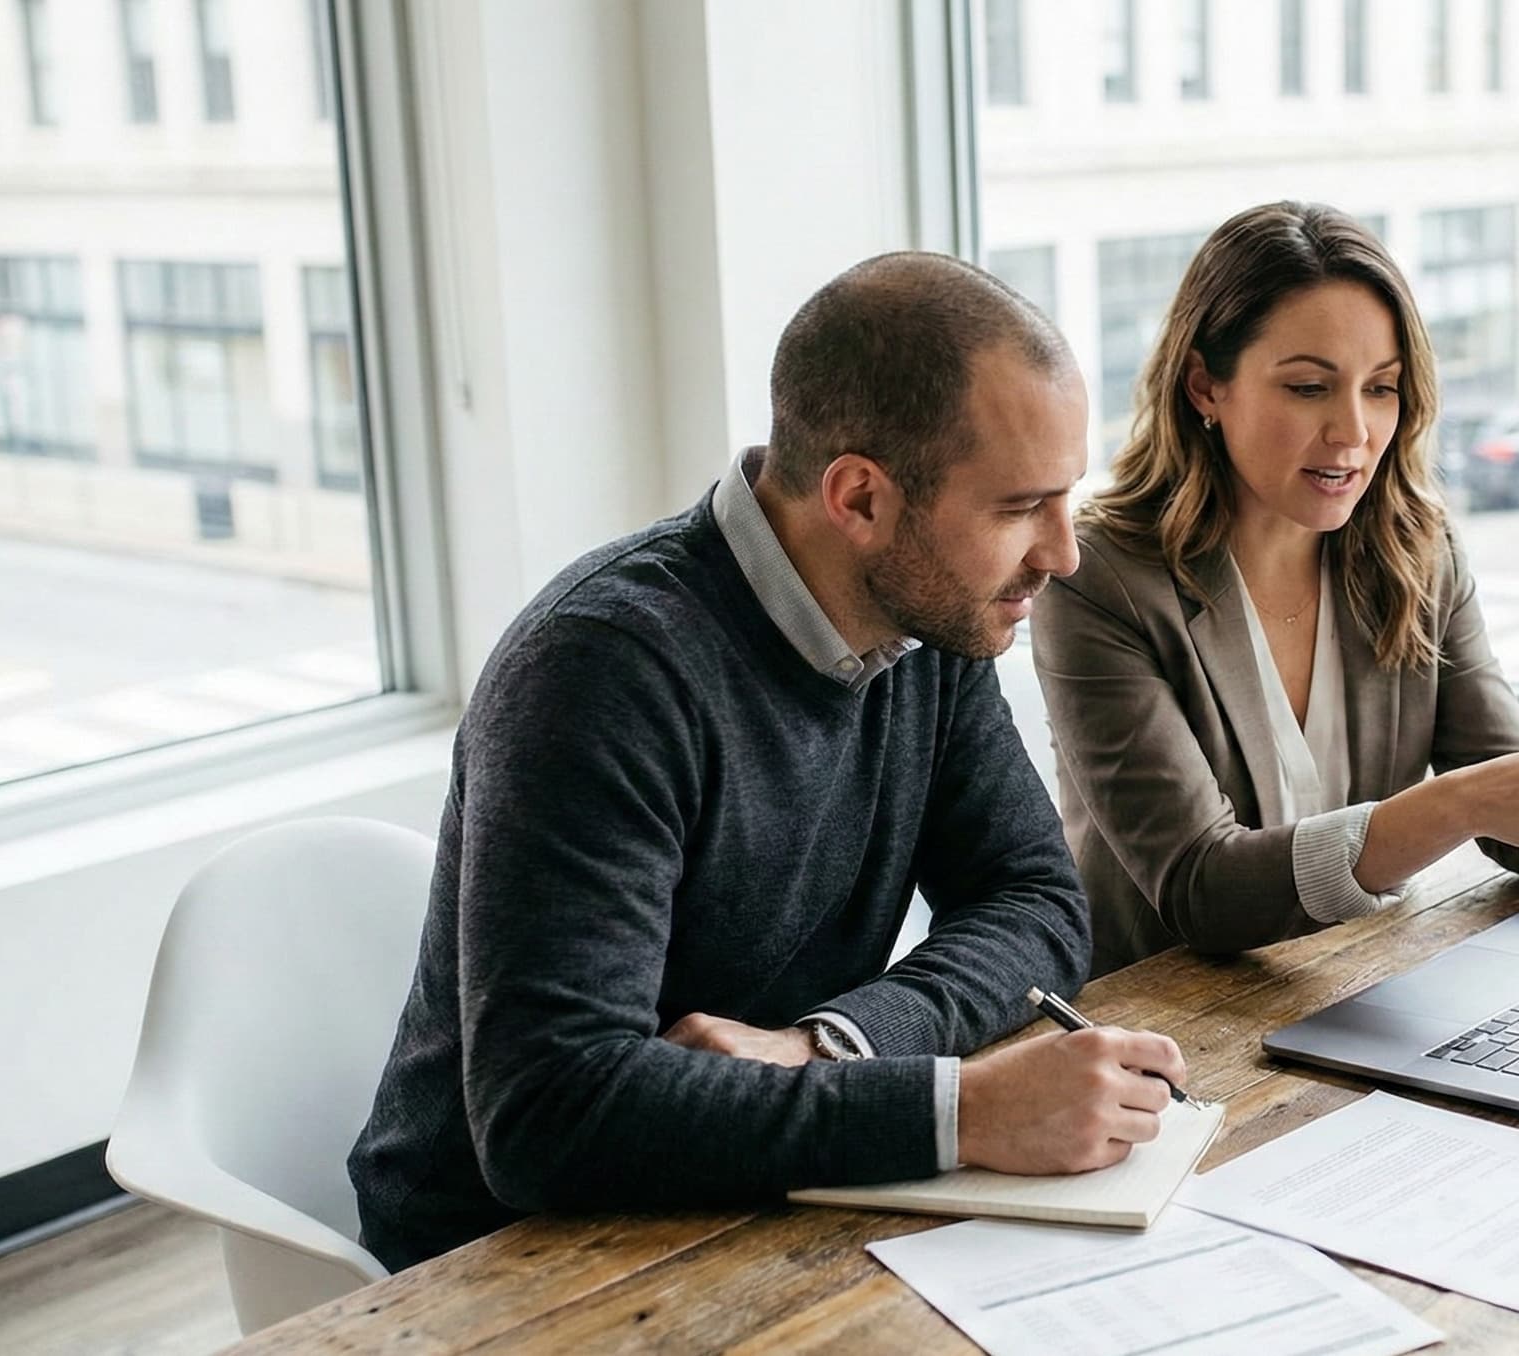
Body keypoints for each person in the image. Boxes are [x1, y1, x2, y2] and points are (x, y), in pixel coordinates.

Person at [349, 252, 1187, 1271]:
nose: (1061, 554)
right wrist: (956, 1111)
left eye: (1065, 499)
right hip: (504, 1260)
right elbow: (549, 1114)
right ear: (860, 498)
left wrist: (826, 1047)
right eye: (1019, 509)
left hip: (771, 1188)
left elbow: (1034, 903)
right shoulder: (598, 670)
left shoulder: (934, 619)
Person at [1030, 202, 1519, 975]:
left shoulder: (1416, 552)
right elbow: (1201, 888)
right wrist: (1459, 803)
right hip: (1166, 1017)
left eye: (1381, 388)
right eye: (1309, 387)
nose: (1353, 432)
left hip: (1358, 981)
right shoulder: (1100, 578)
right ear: (1204, 387)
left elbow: (1516, 818)